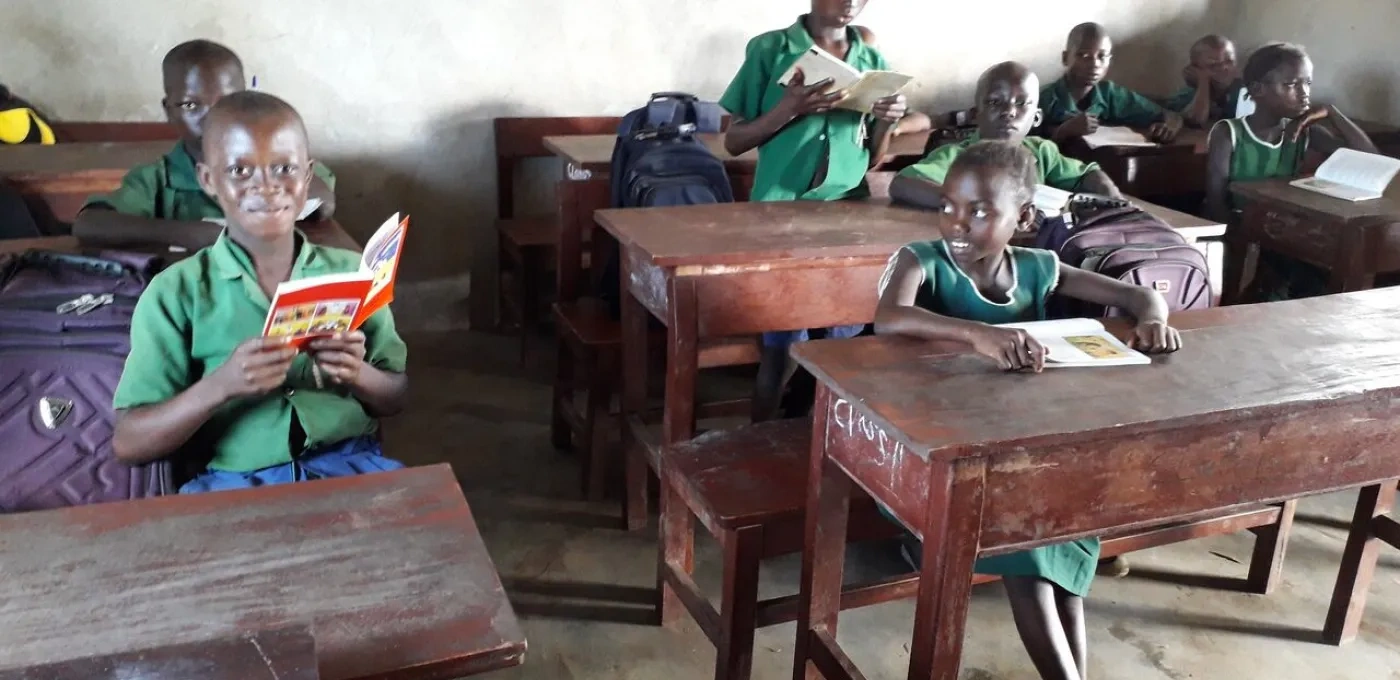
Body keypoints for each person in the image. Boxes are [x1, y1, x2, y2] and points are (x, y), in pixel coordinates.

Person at [876, 140, 1182, 680]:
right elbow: (890, 318)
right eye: (948, 205)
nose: (956, 223)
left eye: (979, 211)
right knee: (1027, 536)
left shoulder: (1040, 267)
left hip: (1018, 446)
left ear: (1023, 219)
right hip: (934, 453)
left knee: (1060, 522)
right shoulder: (920, 260)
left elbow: (1141, 298)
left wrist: (1155, 319)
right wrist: (979, 336)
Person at [110, 91, 407, 493]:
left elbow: (395, 397)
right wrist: (221, 386)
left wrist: (358, 374)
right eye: (239, 170)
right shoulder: (176, 293)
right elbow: (129, 443)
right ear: (208, 180)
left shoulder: (352, 274)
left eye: (284, 167)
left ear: (307, 179)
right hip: (231, 483)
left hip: (351, 465)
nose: (266, 186)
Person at [719, 0, 927, 421]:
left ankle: (820, 443)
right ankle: (758, 444)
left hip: (846, 216)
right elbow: (734, 141)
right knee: (781, 352)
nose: (851, 2)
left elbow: (870, 159)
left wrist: (887, 120)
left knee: (842, 349)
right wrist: (787, 109)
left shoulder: (871, 60)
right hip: (780, 218)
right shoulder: (771, 49)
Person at [74, 40, 337, 250]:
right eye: (190, 105)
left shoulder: (278, 161)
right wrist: (187, 233)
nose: (212, 118)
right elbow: (89, 225)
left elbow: (323, 200)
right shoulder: (158, 178)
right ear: (169, 111)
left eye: (228, 100)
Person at [1205, 42, 1376, 301]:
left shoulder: (1306, 131)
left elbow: (1370, 158)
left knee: (1322, 277)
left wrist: (1332, 112)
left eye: (1307, 83)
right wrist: (1248, 244)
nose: (1304, 93)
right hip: (1241, 233)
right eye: (1291, 85)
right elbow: (1216, 202)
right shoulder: (1228, 133)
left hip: (1286, 235)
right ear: (1257, 90)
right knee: (1277, 283)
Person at [890, 61, 1122, 208]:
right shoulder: (959, 156)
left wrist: (1118, 204)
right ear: (976, 114)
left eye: (1022, 104)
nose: (1009, 112)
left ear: (1036, 118)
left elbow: (1089, 175)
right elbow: (903, 184)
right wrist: (977, 205)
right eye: (994, 102)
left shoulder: (1041, 152)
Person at [1040, 22, 1183, 145]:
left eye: (1102, 56)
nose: (1094, 64)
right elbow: (1026, 148)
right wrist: (1062, 132)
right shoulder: (1045, 98)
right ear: (1065, 58)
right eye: (1084, 56)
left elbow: (1169, 115)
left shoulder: (1109, 93)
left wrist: (1169, 127)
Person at [1165, 35, 1249, 127]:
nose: (1224, 68)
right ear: (1195, 69)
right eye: (1213, 65)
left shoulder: (1243, 90)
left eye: (1229, 61)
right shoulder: (1188, 95)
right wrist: (1203, 82)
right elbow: (1196, 120)